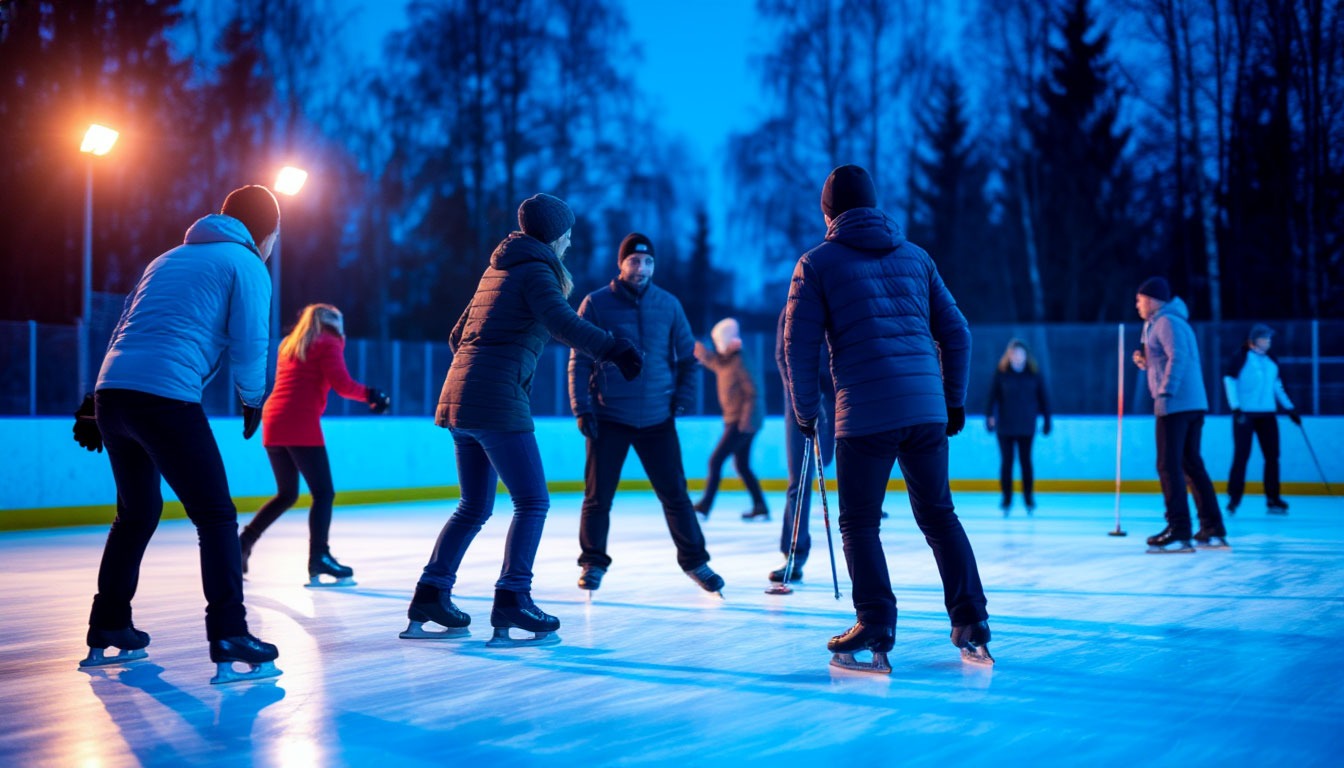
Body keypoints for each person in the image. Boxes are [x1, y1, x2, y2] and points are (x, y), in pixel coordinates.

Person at [401, 193, 644, 648]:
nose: (569, 242)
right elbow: (561, 322)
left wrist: (487, 367)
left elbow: (457, 335)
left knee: (474, 506)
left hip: (460, 400)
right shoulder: (536, 270)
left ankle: (431, 595)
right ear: (553, 234)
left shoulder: (498, 269)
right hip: (495, 401)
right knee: (532, 501)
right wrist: (613, 349)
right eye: (567, 234)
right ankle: (513, 597)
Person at [784, 164, 992, 673]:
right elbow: (958, 333)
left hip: (865, 414)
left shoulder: (816, 264)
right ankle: (972, 622)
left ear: (828, 213)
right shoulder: (916, 257)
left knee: (859, 523)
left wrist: (807, 415)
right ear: (874, 205)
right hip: (925, 410)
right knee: (939, 516)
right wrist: (952, 401)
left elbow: (798, 348)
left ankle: (875, 623)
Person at [72, 185, 283, 684]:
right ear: (264, 231)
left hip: (114, 394)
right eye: (274, 234)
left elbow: (126, 326)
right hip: (164, 396)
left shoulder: (165, 259)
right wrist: (253, 398)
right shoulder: (246, 264)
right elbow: (250, 342)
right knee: (216, 515)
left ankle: (109, 622)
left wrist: (93, 402)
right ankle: (229, 632)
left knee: (136, 513)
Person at [568, 233, 723, 597]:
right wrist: (582, 408)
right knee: (597, 497)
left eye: (648, 261)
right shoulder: (596, 304)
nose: (641, 268)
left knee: (676, 495)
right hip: (609, 416)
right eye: (634, 261)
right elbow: (579, 361)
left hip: (657, 417)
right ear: (621, 264)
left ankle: (695, 562)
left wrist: (682, 398)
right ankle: (592, 562)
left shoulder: (668, 305)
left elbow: (688, 359)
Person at [240, 303, 392, 587]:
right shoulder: (328, 341)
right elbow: (342, 384)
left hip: (274, 421)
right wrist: (372, 394)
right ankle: (319, 556)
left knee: (287, 494)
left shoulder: (290, 343)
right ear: (334, 323)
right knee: (323, 493)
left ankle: (243, 544)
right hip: (299, 422)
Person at [1132, 277, 1226, 551]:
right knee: (1190, 465)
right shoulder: (1170, 321)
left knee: (1168, 465)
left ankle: (1179, 529)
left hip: (1176, 404)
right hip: (1191, 403)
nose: (1137, 305)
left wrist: (1165, 392)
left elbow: (1179, 357)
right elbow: (1168, 358)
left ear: (1152, 300)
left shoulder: (1165, 322)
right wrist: (1146, 362)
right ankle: (1212, 528)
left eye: (1139, 300)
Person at [770, 304, 835, 584]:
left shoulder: (841, 300)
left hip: (839, 395)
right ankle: (794, 554)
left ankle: (862, 553)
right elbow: (782, 356)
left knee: (832, 460)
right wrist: (802, 398)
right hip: (799, 400)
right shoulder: (793, 307)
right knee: (800, 478)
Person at [693, 318, 769, 521]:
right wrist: (701, 352)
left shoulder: (740, 360)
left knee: (716, 460)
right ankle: (760, 506)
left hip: (742, 421)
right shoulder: (727, 359)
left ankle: (704, 506)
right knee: (742, 465)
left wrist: (746, 422)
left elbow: (754, 392)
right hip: (736, 420)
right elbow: (716, 363)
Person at [1223, 323, 1300, 514]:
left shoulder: (1271, 359)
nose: (1268, 341)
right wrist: (1236, 408)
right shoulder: (1241, 357)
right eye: (1265, 338)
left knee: (1272, 456)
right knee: (1242, 455)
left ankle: (1273, 498)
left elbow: (1277, 386)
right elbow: (1229, 380)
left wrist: (1290, 408)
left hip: (1267, 414)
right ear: (1253, 340)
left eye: (1269, 338)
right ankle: (1234, 497)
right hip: (1245, 414)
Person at [984, 339, 1052, 515]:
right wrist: (989, 417)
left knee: (1025, 462)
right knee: (1007, 463)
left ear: (1026, 356)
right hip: (1005, 426)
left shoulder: (1034, 374)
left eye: (1020, 353)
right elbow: (992, 397)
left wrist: (1047, 420)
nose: (1017, 357)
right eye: (1014, 354)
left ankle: (1028, 498)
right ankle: (1006, 499)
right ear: (1009, 356)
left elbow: (1044, 398)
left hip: (1026, 426)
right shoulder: (1001, 374)